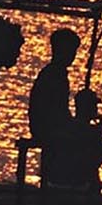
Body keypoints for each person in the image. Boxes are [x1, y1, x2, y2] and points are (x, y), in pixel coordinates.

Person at [26, 26, 82, 180]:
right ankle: (72, 181)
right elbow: (56, 111)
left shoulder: (54, 73)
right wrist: (73, 124)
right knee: (87, 140)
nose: (73, 56)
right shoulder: (54, 75)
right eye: (71, 51)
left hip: (47, 125)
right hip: (45, 128)